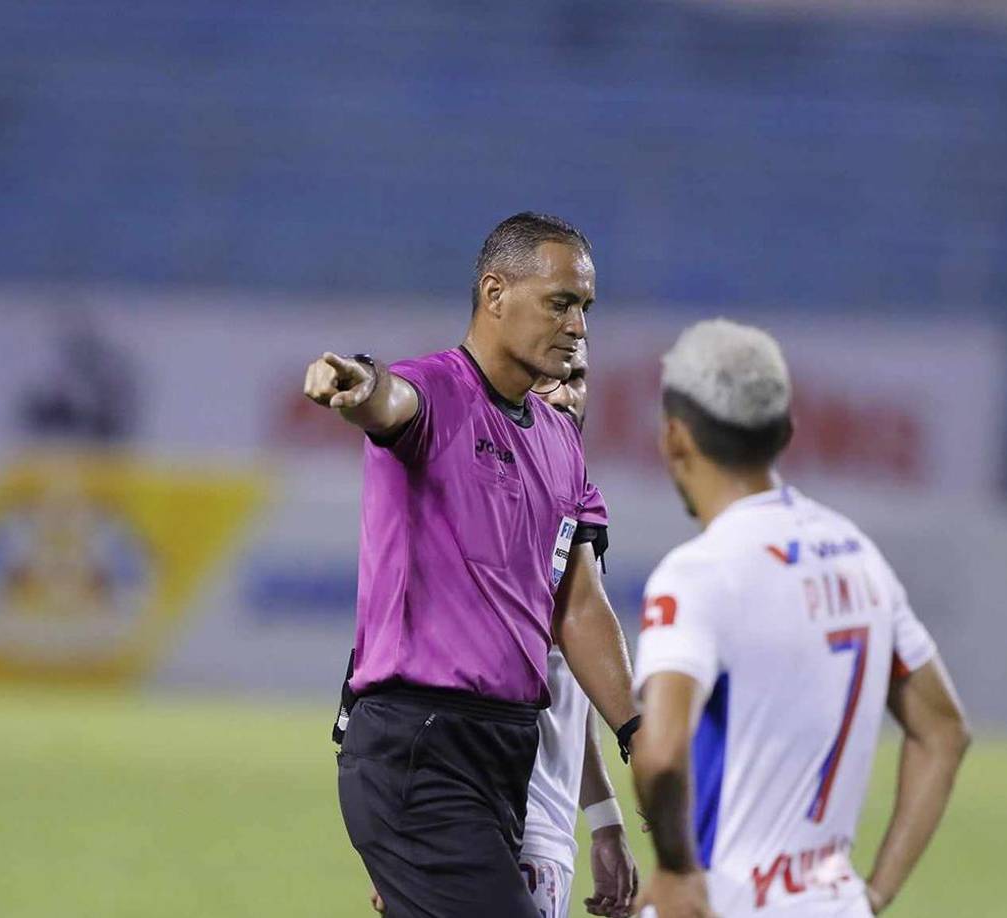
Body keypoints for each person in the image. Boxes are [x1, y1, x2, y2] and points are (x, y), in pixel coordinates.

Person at [304, 213, 639, 918]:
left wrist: (639, 729)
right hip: (420, 744)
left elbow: (578, 608)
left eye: (585, 308)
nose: (579, 327)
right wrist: (358, 386)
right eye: (560, 302)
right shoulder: (439, 391)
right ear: (494, 294)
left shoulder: (558, 440)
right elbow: (389, 400)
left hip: (503, 754)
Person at [628, 319, 970, 918]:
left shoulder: (701, 573)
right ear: (787, 431)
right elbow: (943, 731)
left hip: (727, 902)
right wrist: (875, 894)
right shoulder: (856, 554)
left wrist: (677, 870)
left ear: (674, 438)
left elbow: (658, 753)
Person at [366, 342, 640, 918]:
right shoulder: (491, 504)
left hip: (540, 821)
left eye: (578, 378)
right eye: (548, 380)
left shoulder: (572, 503)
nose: (565, 393)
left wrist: (603, 817)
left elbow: (570, 682)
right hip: (507, 821)